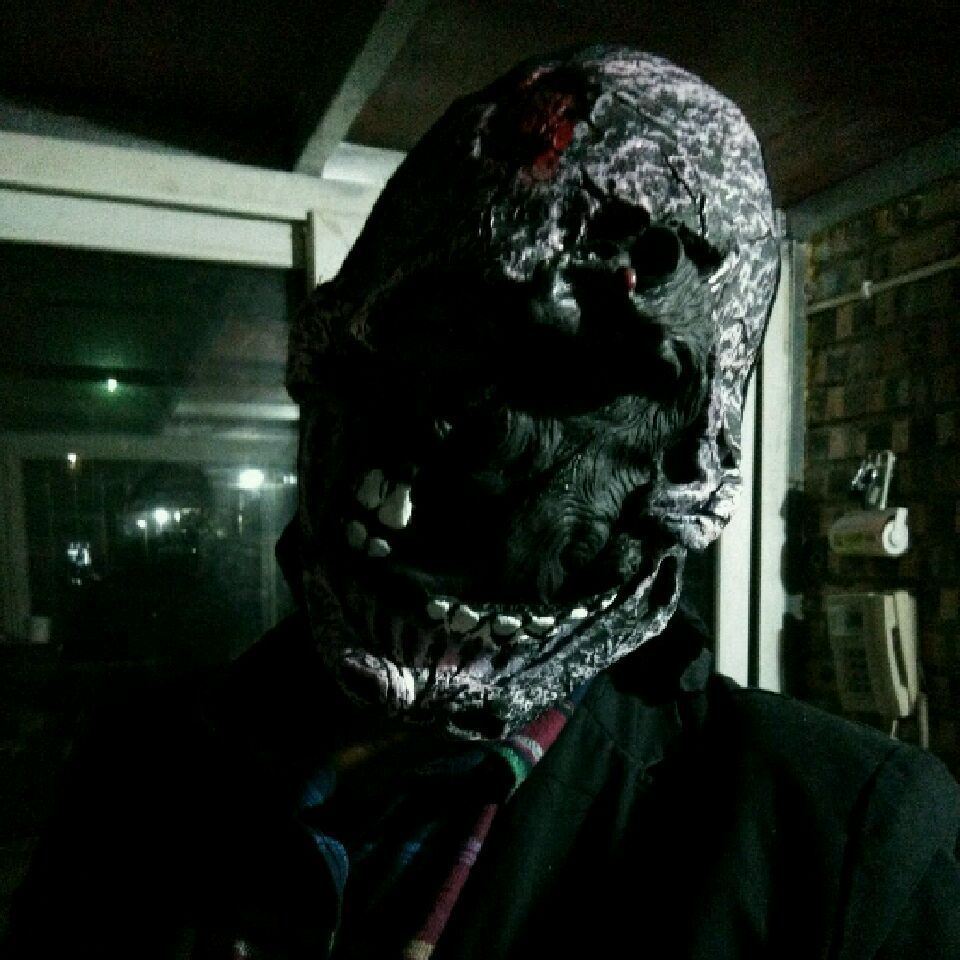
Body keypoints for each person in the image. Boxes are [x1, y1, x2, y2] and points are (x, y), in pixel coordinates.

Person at [7, 46, 960, 959]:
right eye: (415, 339)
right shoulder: (137, 768)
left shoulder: (836, 848)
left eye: (560, 381)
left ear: (689, 480)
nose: (439, 429)